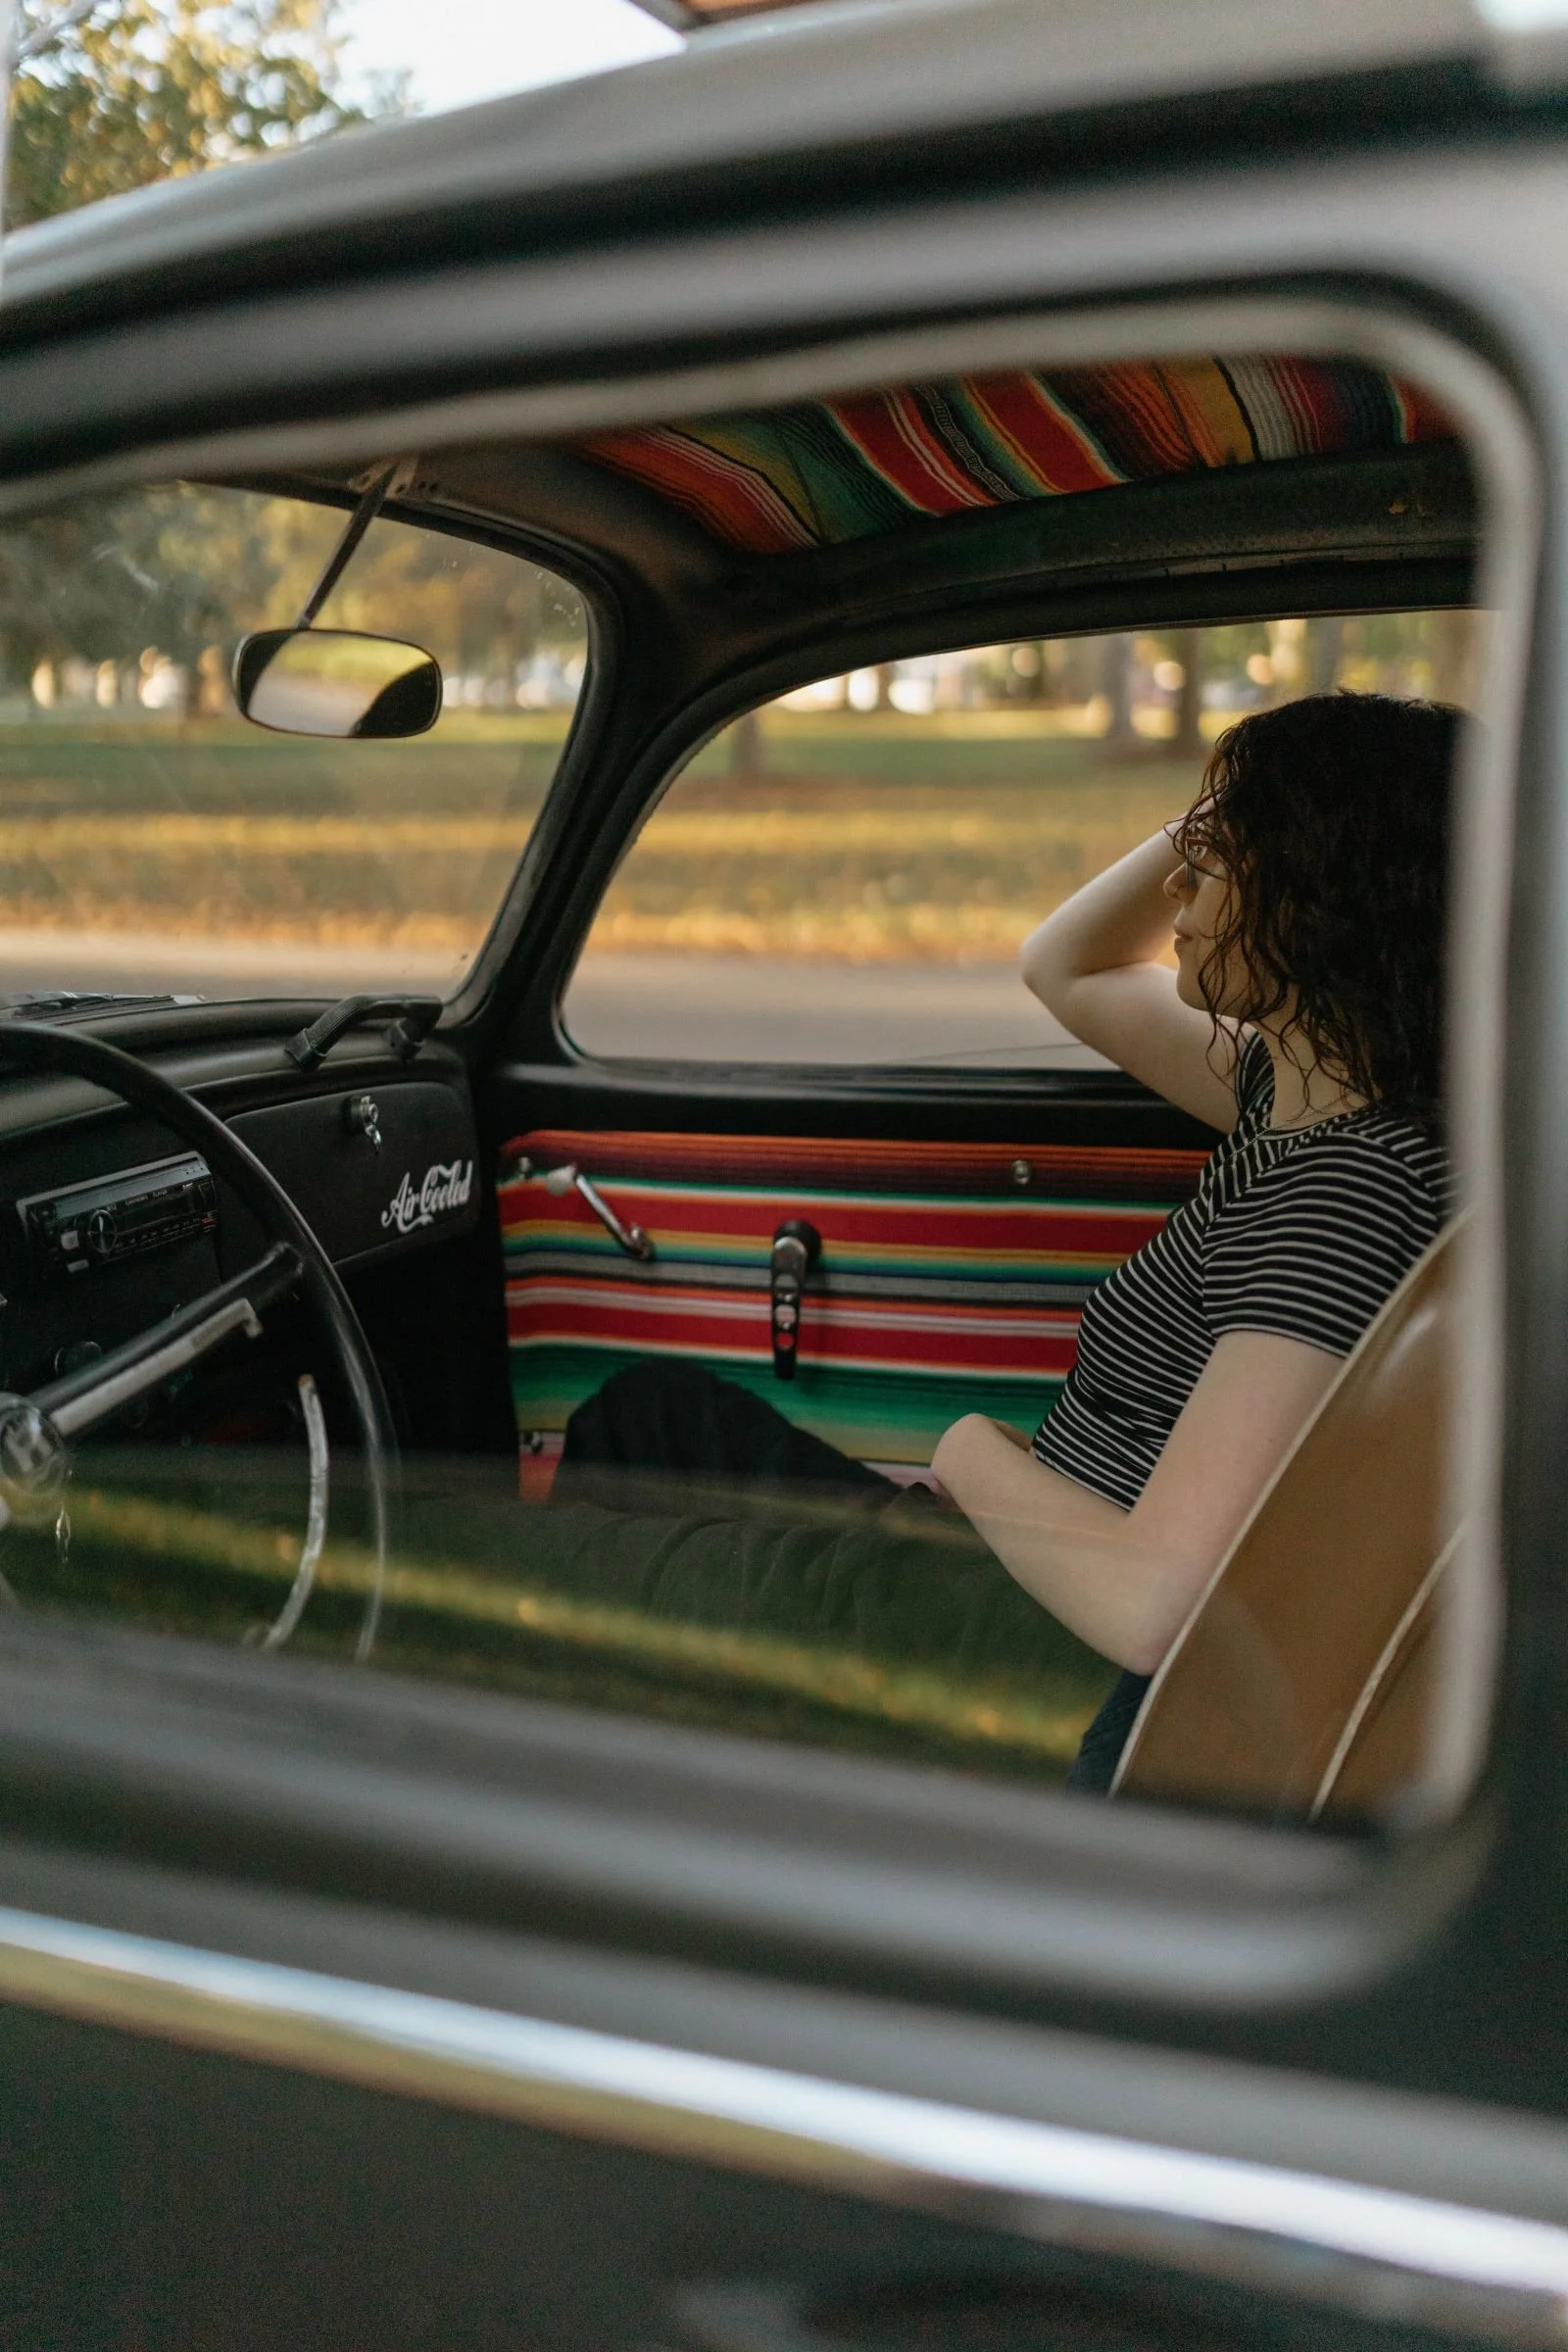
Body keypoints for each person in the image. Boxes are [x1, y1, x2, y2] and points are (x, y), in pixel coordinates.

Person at [542, 691, 1456, 1790]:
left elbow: (1157, 1606)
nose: (1178, 886)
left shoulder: (1344, 1189)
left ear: (1319, 895)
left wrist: (967, 1445)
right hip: (1006, 1565)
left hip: (1031, 1635)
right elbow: (1063, 962)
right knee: (644, 1415)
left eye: (1213, 860)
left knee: (513, 1570)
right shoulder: (1292, 1094)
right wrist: (1241, 797)